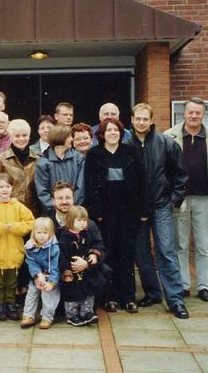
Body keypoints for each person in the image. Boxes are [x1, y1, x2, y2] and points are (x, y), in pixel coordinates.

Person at [166, 97, 208, 303]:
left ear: (203, 115)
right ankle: (184, 285)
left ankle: (203, 285)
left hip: (204, 198)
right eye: (191, 112)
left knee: (204, 246)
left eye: (198, 113)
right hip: (180, 200)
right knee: (180, 245)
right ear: (184, 114)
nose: (194, 116)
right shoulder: (170, 137)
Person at [129, 103, 190, 319]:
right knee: (142, 253)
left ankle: (175, 300)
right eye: (138, 118)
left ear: (152, 120)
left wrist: (173, 200)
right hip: (136, 209)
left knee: (166, 251)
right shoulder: (126, 143)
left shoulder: (166, 143)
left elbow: (181, 175)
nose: (142, 122)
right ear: (132, 119)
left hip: (160, 205)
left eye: (146, 119)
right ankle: (153, 293)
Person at [85, 117, 143, 314]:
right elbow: (90, 184)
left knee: (127, 254)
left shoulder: (131, 152)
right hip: (105, 215)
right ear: (102, 134)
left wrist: (142, 210)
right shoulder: (94, 154)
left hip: (128, 213)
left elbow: (140, 181)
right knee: (107, 254)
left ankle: (128, 297)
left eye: (116, 130)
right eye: (108, 130)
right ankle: (109, 297)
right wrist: (96, 212)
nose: (112, 133)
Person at [0, 173, 34, 321]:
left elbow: (29, 222)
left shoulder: (18, 206)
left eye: (7, 186)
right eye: (1, 186)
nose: (5, 189)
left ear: (12, 188)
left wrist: (14, 227)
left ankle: (11, 304)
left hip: (14, 252)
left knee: (11, 282)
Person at [58, 205, 106, 326]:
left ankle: (87, 312)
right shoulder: (63, 236)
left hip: (85, 270)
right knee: (72, 295)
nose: (82, 223)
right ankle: (72, 315)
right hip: (71, 270)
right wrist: (66, 271)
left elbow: (95, 245)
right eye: (78, 220)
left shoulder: (87, 234)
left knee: (89, 292)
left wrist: (93, 255)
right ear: (70, 220)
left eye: (84, 220)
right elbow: (60, 255)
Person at [0, 119, 41, 216]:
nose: (21, 139)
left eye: (24, 135)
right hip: (8, 213)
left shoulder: (38, 160)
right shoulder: (0, 159)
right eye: (17, 136)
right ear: (10, 137)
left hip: (33, 212)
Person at [34, 125, 86, 214]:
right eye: (69, 136)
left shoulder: (78, 159)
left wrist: (72, 207)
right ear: (60, 138)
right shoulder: (43, 162)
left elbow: (80, 187)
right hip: (52, 213)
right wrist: (57, 208)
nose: (72, 139)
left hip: (74, 212)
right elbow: (42, 191)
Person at [20, 218, 60, 330]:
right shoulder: (30, 246)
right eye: (39, 233)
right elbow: (30, 262)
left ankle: (47, 317)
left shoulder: (54, 248)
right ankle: (28, 315)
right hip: (37, 276)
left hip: (51, 276)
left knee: (48, 294)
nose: (42, 236)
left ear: (50, 233)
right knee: (31, 293)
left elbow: (55, 267)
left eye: (45, 233)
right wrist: (37, 274)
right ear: (34, 233)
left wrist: (51, 282)